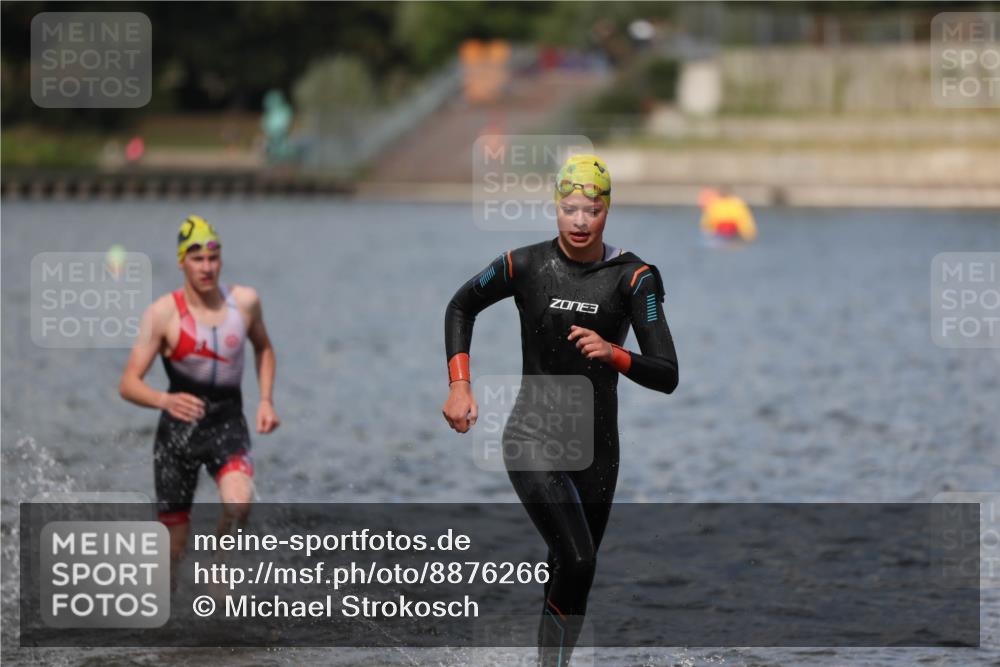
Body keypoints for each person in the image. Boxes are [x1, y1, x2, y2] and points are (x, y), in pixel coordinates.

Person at [442, 155, 678, 666]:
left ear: (607, 210)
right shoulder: (523, 265)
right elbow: (461, 306)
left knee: (573, 573)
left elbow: (667, 373)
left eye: (592, 210)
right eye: (569, 209)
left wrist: (614, 354)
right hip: (533, 437)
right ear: (555, 207)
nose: (579, 221)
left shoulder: (634, 278)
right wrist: (460, 385)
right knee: (578, 557)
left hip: (597, 450)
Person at [119, 215, 280, 570]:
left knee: (239, 504)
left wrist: (266, 400)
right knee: (173, 548)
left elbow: (264, 348)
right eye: (197, 259)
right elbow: (128, 383)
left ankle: (218, 574)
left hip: (227, 423)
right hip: (178, 433)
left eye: (213, 257)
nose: (207, 267)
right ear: (182, 262)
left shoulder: (244, 303)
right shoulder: (162, 314)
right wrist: (164, 400)